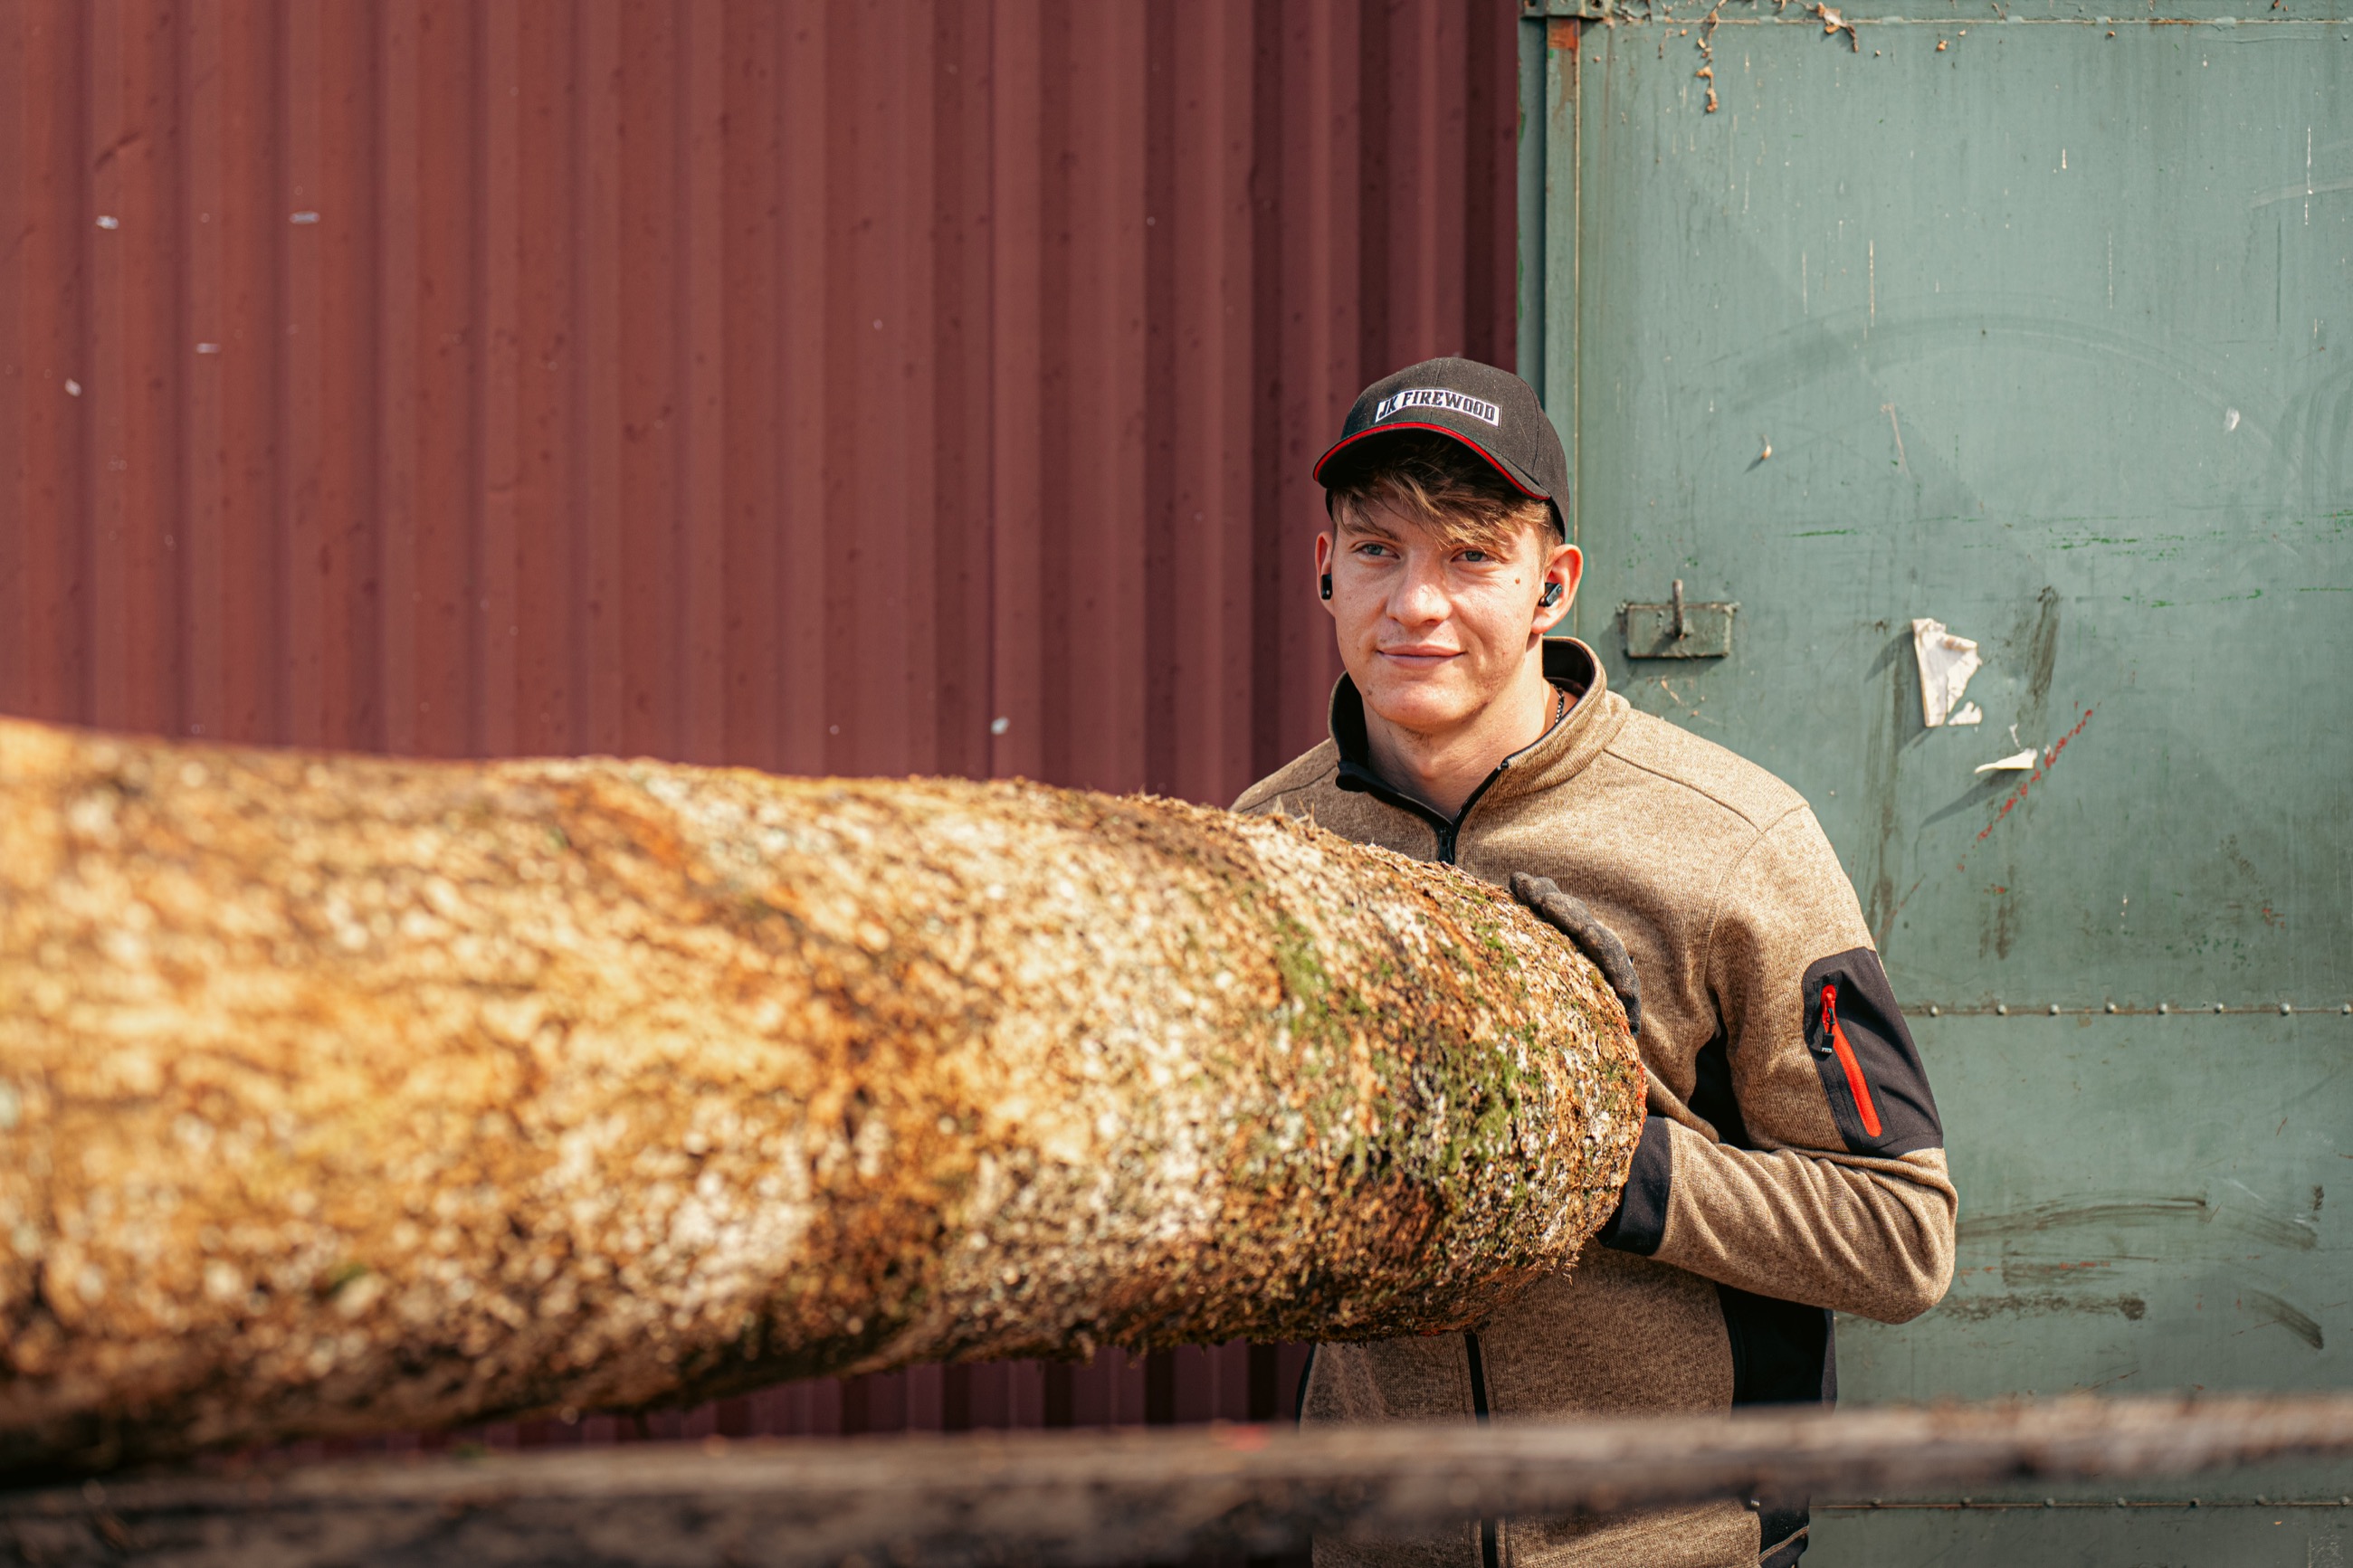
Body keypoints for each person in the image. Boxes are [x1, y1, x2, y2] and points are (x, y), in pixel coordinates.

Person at [1232, 357, 1956, 1568]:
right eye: (1378, 551)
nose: (1416, 604)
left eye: (1471, 557)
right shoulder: (1266, 846)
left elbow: (1902, 1235)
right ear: (1324, 569)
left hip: (1674, 1546)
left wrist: (1607, 1166)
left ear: (1551, 586)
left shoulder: (1736, 841)